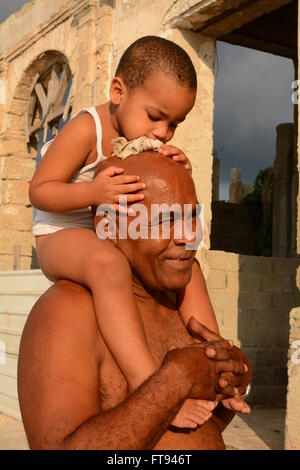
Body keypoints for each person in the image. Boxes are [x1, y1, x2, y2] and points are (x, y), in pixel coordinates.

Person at [28, 36, 248, 428]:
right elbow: (40, 191)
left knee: (188, 264)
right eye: (155, 116)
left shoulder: (143, 137)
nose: (163, 132)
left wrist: (176, 165)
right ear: (118, 91)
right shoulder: (85, 129)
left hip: (106, 228)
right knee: (108, 265)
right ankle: (147, 380)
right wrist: (92, 191)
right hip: (61, 232)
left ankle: (218, 363)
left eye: (174, 124)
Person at [18, 152, 252, 450]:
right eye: (165, 220)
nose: (187, 236)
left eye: (192, 218)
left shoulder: (177, 300)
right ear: (110, 226)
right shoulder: (67, 311)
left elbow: (195, 431)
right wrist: (174, 381)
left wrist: (234, 381)